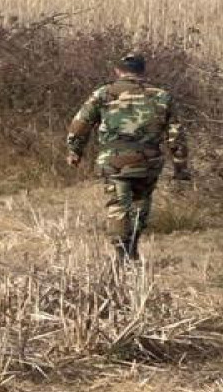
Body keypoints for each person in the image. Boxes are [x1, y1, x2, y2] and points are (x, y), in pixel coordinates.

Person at [65, 52, 189, 265]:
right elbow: (176, 134)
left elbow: (80, 124)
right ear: (143, 71)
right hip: (148, 160)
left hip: (113, 159)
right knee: (141, 203)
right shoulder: (162, 96)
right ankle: (132, 248)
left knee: (118, 205)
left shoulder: (103, 93)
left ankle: (121, 254)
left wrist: (74, 150)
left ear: (117, 70)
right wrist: (180, 165)